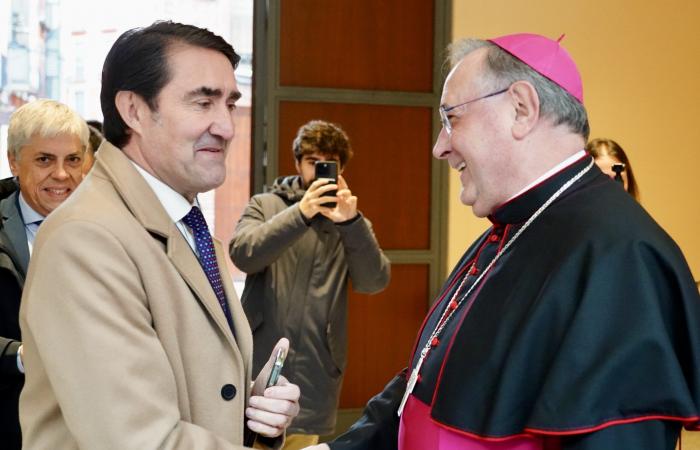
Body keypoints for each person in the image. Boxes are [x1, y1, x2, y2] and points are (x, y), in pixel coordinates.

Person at [305, 33, 700, 450]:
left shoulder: (621, 257)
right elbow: (426, 374)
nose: (440, 147)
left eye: (451, 118)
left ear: (520, 108)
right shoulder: (510, 229)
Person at [19, 21, 300, 449]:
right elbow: (137, 439)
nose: (226, 126)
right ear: (133, 110)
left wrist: (251, 412)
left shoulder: (182, 219)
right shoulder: (85, 239)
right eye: (203, 102)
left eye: (230, 103)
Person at [230, 120, 390, 449]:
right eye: (312, 162)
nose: (319, 171)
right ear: (297, 163)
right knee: (248, 437)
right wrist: (300, 213)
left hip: (316, 369)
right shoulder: (266, 205)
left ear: (342, 168)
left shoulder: (351, 222)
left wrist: (352, 223)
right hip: (259, 355)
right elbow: (243, 254)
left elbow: (374, 281)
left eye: (328, 164)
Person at [0, 98, 89, 450]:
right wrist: (22, 357)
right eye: (44, 160)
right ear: (14, 162)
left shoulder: (118, 231)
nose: (62, 175)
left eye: (73, 160)